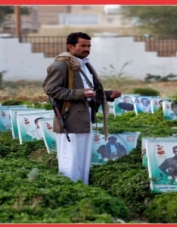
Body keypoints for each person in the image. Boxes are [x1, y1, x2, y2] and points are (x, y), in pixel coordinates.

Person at [42, 32, 121, 185]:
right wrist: (80, 93)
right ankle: (69, 190)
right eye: (83, 45)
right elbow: (50, 90)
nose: (87, 49)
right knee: (69, 160)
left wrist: (108, 95)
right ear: (70, 47)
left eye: (89, 46)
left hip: (85, 119)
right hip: (70, 119)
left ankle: (81, 190)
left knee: (83, 159)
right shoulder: (61, 65)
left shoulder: (84, 64)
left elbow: (88, 92)